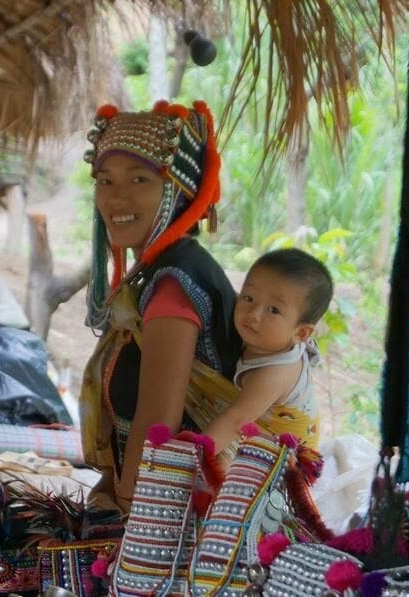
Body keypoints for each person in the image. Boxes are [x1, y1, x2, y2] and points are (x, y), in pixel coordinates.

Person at [79, 100, 242, 512]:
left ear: (178, 189)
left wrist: (125, 511)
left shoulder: (173, 285)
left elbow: (157, 426)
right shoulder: (159, 271)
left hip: (182, 514)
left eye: (139, 179)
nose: (117, 197)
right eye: (105, 180)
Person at [203, 248, 332, 454]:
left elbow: (234, 421)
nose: (253, 314)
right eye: (248, 298)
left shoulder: (273, 374)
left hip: (288, 455)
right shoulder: (270, 338)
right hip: (265, 429)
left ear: (301, 333)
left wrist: (188, 458)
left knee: (219, 468)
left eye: (273, 310)